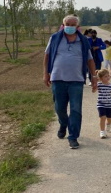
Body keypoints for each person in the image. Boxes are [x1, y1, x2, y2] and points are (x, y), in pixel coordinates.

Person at [43, 14, 97, 149]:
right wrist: (45, 73)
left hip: (76, 80)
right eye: (68, 24)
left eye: (73, 25)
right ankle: (63, 123)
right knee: (59, 108)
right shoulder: (55, 38)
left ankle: (73, 137)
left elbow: (90, 60)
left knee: (75, 109)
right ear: (63, 25)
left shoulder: (83, 40)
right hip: (57, 78)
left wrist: (94, 77)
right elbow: (47, 55)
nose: (70, 27)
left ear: (77, 27)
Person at [96, 69, 111, 139]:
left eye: (108, 76)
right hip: (101, 104)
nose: (108, 77)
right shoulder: (98, 85)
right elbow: (93, 90)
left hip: (109, 105)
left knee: (109, 118)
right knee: (102, 117)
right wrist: (94, 82)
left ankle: (109, 123)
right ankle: (102, 131)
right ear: (101, 78)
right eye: (105, 76)